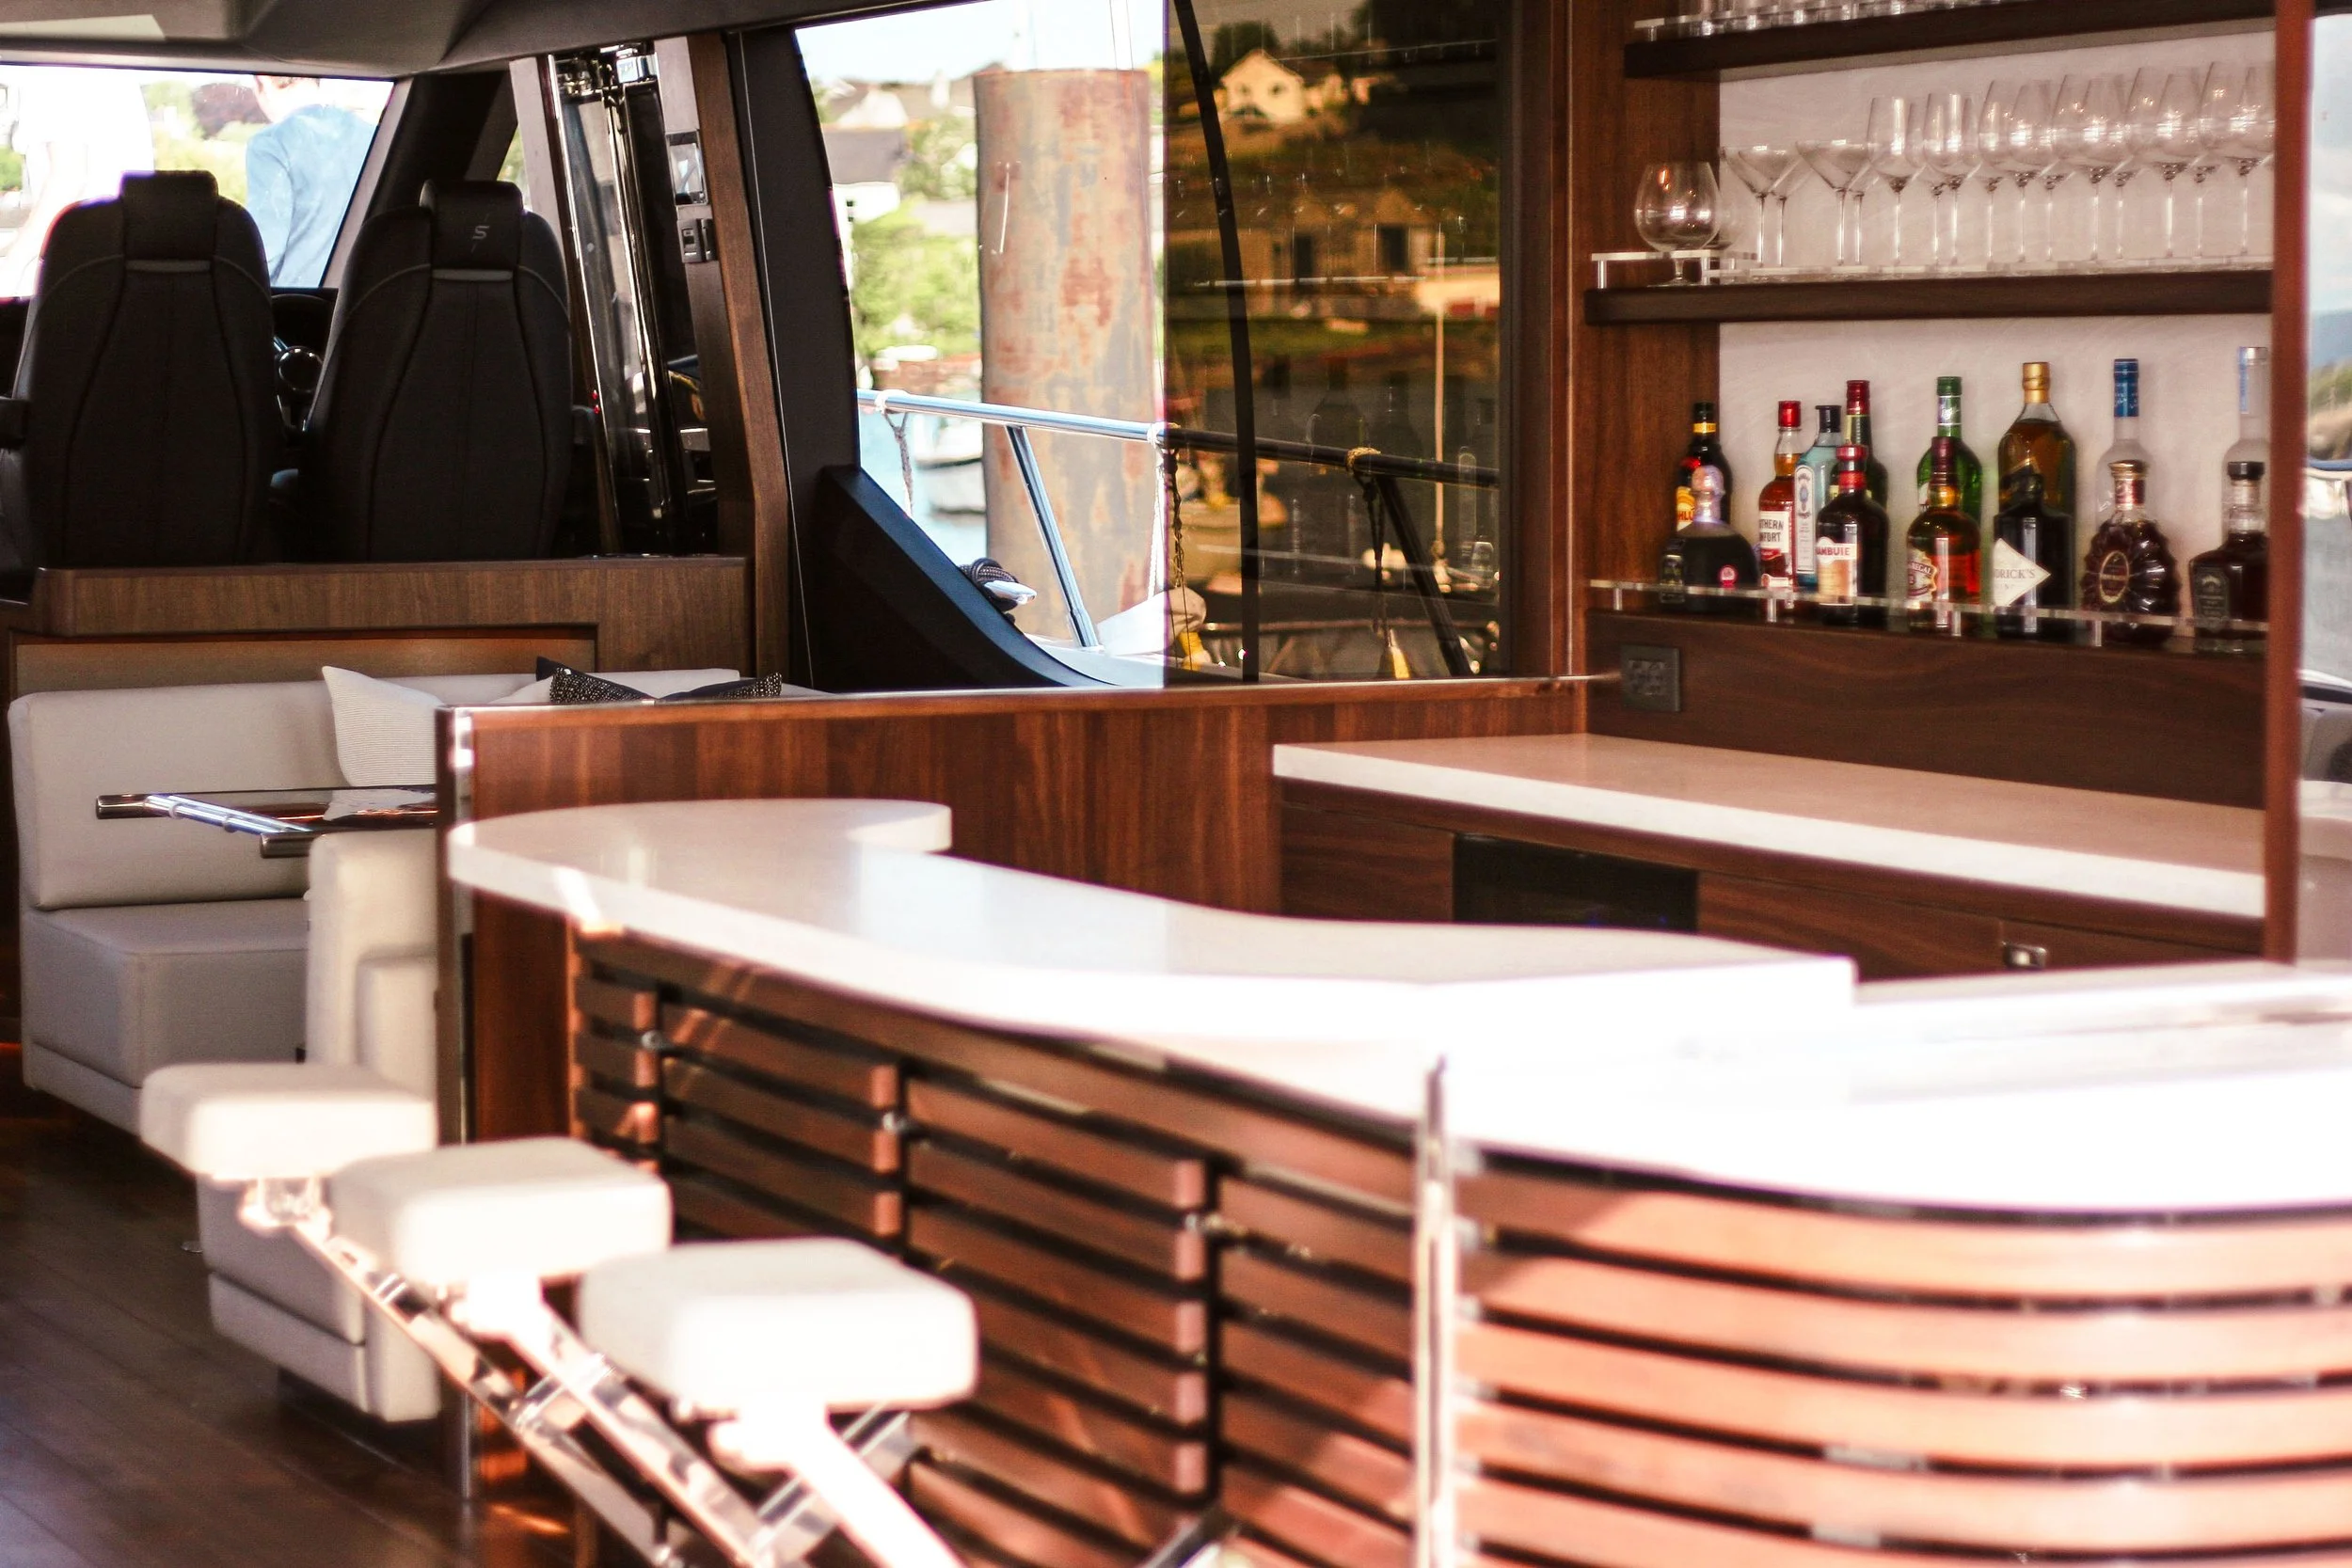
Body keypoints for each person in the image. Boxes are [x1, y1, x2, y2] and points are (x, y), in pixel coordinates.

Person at [0, 66, 155, 297]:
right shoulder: (89, 64)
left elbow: (68, 180)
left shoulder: (50, 73)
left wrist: (11, 266)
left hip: (85, 267)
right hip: (115, 261)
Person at [246, 75, 373, 286]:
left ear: (263, 84)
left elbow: (265, 247)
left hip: (298, 301)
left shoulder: (270, 144)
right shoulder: (373, 135)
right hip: (360, 295)